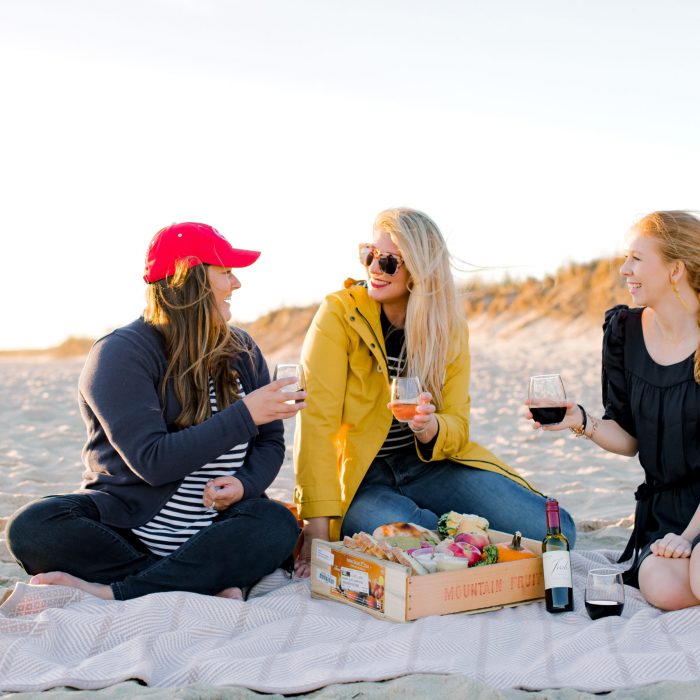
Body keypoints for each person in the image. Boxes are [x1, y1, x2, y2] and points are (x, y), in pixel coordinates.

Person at [7, 222, 304, 601]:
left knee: (275, 524)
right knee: (31, 528)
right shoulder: (121, 353)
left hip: (215, 526)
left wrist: (245, 484)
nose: (236, 283)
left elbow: (270, 442)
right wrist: (245, 414)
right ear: (190, 280)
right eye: (225, 272)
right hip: (129, 529)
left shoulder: (241, 349)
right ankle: (190, 581)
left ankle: (112, 592)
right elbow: (152, 461)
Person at [293, 207, 575, 576]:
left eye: (390, 262)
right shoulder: (338, 315)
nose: (374, 269)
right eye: (369, 255)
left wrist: (430, 430)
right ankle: (448, 530)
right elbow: (317, 423)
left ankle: (455, 526)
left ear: (420, 270)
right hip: (364, 477)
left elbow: (458, 424)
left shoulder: (448, 327)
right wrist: (316, 525)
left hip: (431, 466)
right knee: (423, 549)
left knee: (558, 531)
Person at [527, 210, 700, 611]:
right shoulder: (625, 332)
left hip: (695, 518)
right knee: (659, 583)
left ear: (675, 269)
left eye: (637, 259)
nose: (625, 269)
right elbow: (629, 439)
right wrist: (581, 421)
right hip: (665, 511)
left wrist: (690, 537)